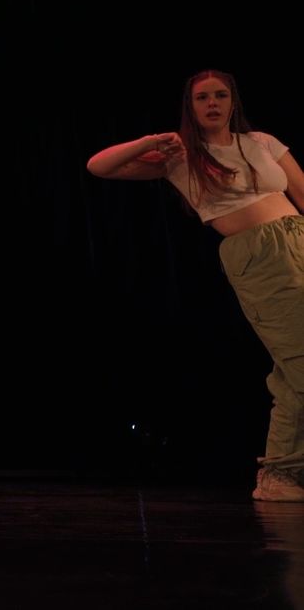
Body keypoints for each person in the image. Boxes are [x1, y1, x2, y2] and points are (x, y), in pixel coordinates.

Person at [87, 69, 304, 502]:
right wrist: (151, 141)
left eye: (220, 95)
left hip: (299, 240)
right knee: (299, 360)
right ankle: (280, 472)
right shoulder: (179, 157)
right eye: (202, 97)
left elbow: (302, 191)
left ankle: (280, 475)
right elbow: (99, 165)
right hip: (258, 258)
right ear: (190, 106)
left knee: (290, 370)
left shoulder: (262, 142)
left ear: (233, 101)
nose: (212, 104)